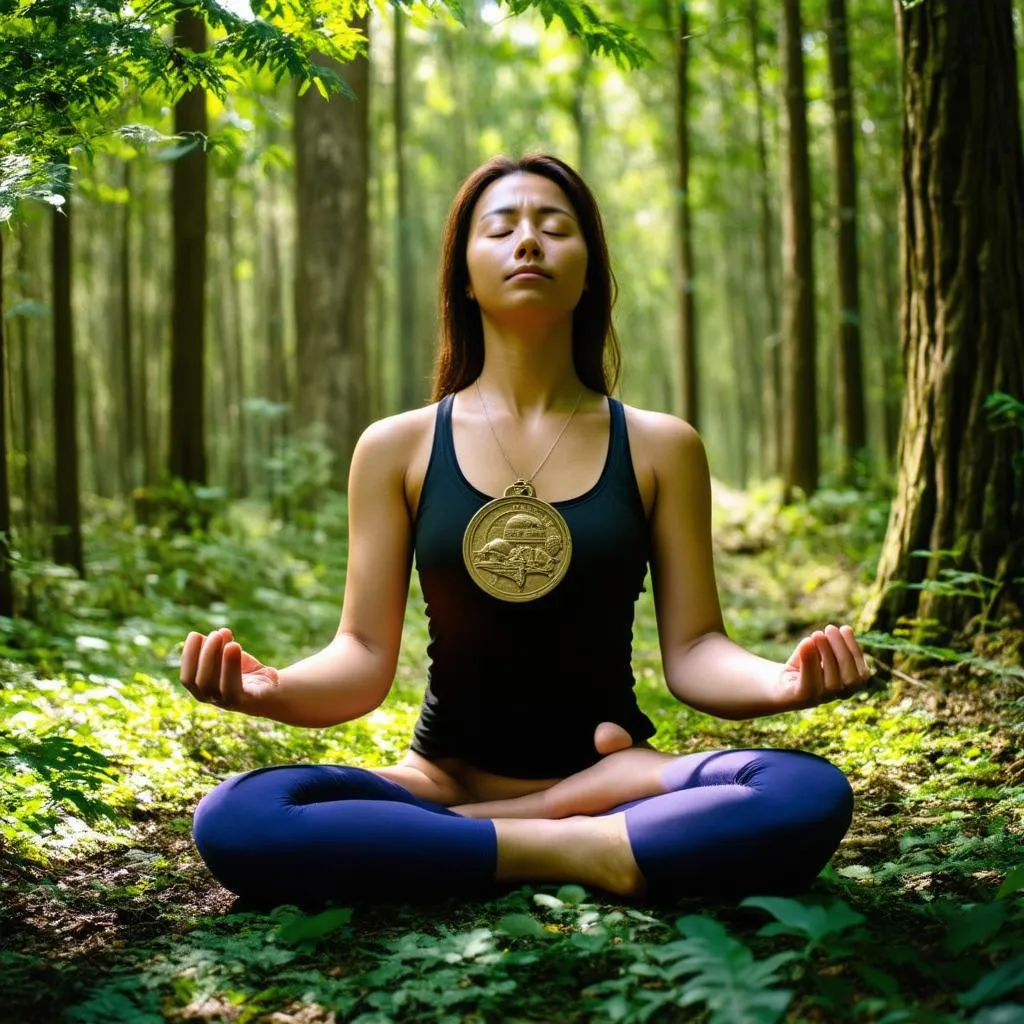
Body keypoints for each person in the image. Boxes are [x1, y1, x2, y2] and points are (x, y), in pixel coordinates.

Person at [180, 152, 872, 909]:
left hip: (623, 776)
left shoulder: (660, 445)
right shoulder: (396, 447)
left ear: (590, 273)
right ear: (464, 277)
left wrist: (781, 683)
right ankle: (582, 846)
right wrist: (269, 690)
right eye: (501, 227)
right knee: (237, 817)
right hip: (442, 783)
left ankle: (483, 844)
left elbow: (698, 650)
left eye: (555, 227)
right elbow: (363, 655)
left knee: (804, 789)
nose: (529, 242)